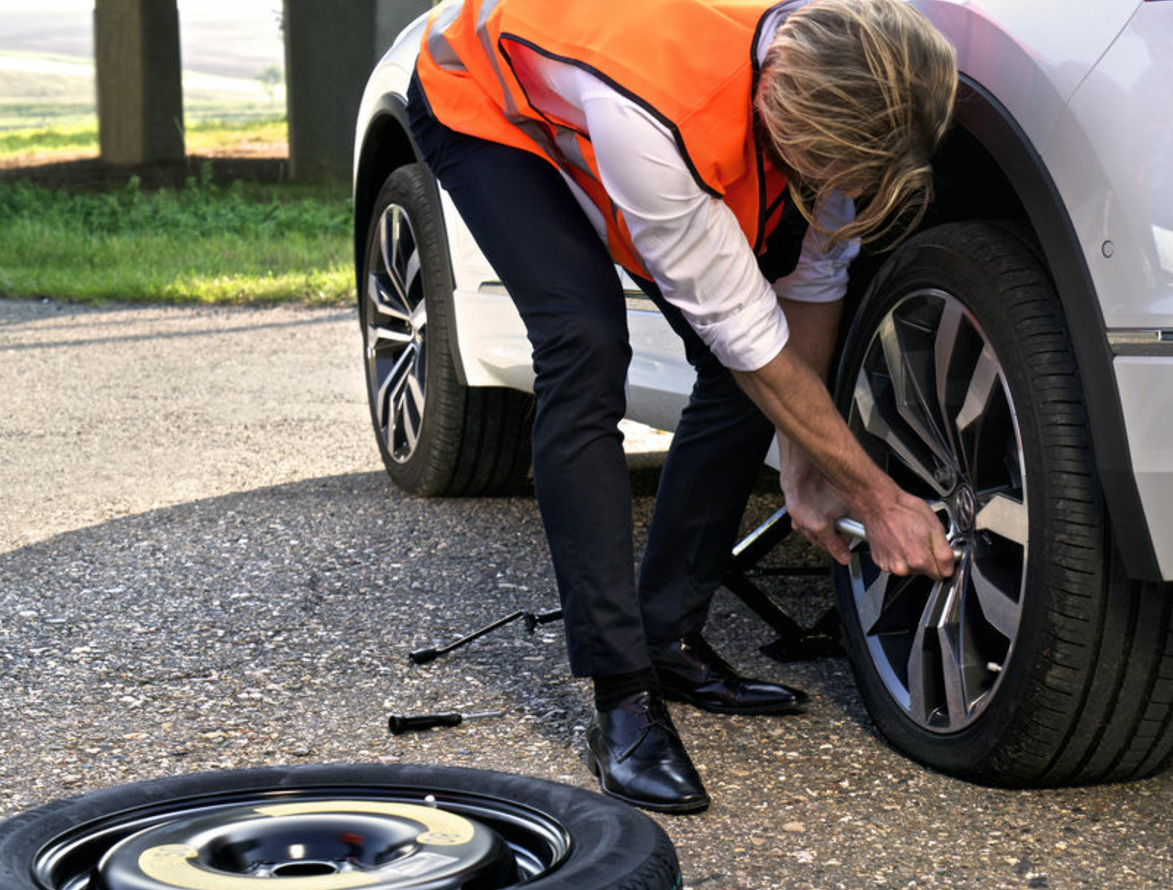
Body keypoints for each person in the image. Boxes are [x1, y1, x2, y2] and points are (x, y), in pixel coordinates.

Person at [410, 0, 958, 813]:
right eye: (821, 169)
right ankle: (622, 698)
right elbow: (748, 339)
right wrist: (878, 497)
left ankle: (665, 633)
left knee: (743, 374)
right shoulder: (658, 118)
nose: (830, 190)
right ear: (775, 97)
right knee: (586, 343)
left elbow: (804, 294)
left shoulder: (849, 82)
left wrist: (805, 466)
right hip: (480, 94)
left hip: (618, 100)